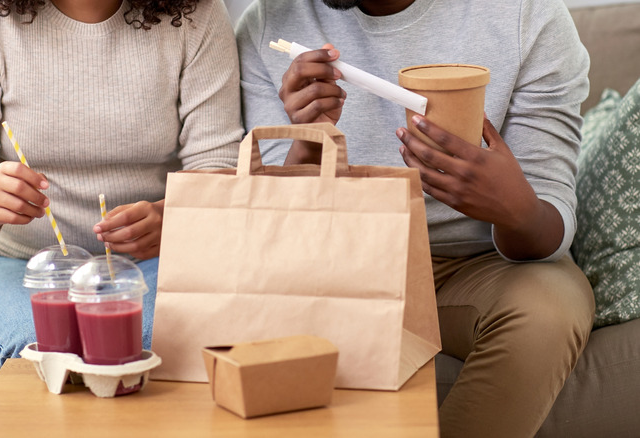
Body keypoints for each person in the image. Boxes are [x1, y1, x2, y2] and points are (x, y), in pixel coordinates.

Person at [235, 0, 595, 436]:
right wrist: (310, 145)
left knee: (551, 309)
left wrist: (514, 208)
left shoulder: (527, 15)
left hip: (478, 267)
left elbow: (549, 221)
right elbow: (274, 228)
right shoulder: (268, 24)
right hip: (339, 268)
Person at [0, 0, 243, 365]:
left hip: (149, 265)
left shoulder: (196, 13)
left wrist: (176, 217)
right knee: (48, 343)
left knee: (139, 338)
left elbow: (219, 165)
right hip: (12, 264)